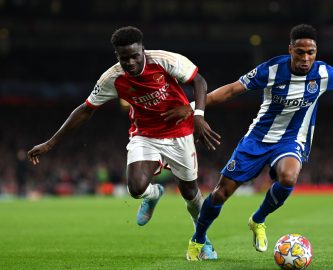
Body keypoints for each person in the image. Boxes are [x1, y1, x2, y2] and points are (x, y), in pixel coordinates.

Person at [164, 24, 333, 261]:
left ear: (316, 52)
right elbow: (233, 90)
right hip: (257, 139)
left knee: (289, 177)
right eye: (300, 52)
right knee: (221, 194)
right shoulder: (271, 70)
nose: (306, 58)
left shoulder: (323, 73)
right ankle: (198, 239)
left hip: (291, 140)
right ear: (290, 50)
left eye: (311, 52)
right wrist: (194, 108)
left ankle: (258, 219)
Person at [27, 26, 220, 259]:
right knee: (136, 188)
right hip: (145, 135)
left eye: (134, 56)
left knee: (189, 192)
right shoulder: (112, 78)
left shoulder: (165, 61)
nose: (129, 62)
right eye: (123, 57)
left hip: (179, 133)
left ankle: (202, 238)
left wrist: (197, 114)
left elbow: (199, 81)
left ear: (143, 51)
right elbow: (86, 110)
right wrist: (50, 143)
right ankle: (152, 195)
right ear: (117, 56)